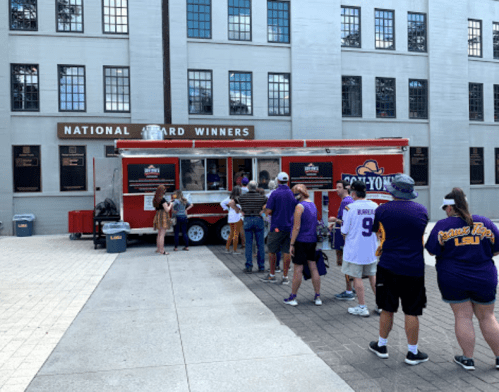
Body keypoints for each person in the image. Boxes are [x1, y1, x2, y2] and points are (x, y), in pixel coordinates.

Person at [425, 188, 499, 371]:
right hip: (484, 276)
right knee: (488, 317)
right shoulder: (485, 222)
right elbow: (496, 249)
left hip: (453, 277)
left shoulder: (443, 225)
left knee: (463, 316)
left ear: (449, 208)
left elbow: (432, 249)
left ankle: (468, 359)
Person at [368, 174, 429, 366]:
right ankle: (412, 352)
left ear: (392, 190)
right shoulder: (421, 210)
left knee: (387, 307)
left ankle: (382, 345)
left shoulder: (382, 210)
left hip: (388, 265)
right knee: (412, 311)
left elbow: (374, 230)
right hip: (414, 267)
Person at [340, 181, 378, 317]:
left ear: (354, 193)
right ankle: (379, 305)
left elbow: (344, 230)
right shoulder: (375, 206)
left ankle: (362, 306)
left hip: (355, 248)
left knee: (357, 276)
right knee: (372, 276)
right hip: (371, 247)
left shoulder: (350, 208)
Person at [284, 184, 320, 306]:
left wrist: (291, 243)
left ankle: (293, 297)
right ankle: (317, 296)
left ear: (300, 194)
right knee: (313, 267)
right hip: (312, 239)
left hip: (301, 241)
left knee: (298, 269)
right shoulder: (313, 204)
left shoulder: (300, 206)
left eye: (295, 193)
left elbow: (296, 226)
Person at [263, 172, 297, 284]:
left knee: (272, 251)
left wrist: (265, 211)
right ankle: (285, 277)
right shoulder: (292, 194)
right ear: (287, 180)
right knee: (286, 251)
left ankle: (272, 275)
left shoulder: (275, 193)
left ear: (278, 181)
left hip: (276, 227)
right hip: (289, 227)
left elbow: (268, 211)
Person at [230, 181, 267, 273]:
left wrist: (238, 210)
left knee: (248, 245)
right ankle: (261, 267)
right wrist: (263, 212)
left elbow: (231, 203)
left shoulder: (242, 197)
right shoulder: (262, 197)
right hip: (258, 220)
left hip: (247, 220)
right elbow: (270, 204)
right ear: (256, 187)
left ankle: (249, 266)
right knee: (260, 245)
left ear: (248, 187)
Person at [328, 180, 355, 300]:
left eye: (339, 187)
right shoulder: (348, 201)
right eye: (336, 186)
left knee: (346, 264)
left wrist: (334, 220)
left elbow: (346, 222)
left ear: (346, 188)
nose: (336, 189)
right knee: (347, 264)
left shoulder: (346, 202)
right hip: (347, 237)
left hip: (345, 238)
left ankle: (349, 291)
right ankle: (351, 288)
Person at [220, 186, 244, 254]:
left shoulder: (229, 198)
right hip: (237, 217)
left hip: (230, 217)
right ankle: (235, 250)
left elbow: (222, 203)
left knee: (231, 233)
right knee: (236, 234)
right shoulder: (239, 198)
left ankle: (227, 248)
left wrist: (227, 209)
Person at [265, 180, 281, 272]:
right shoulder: (280, 195)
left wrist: (264, 218)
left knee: (272, 245)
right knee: (280, 244)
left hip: (271, 222)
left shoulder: (267, 196)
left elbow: (266, 211)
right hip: (280, 221)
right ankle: (279, 265)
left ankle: (273, 267)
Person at [152, 185, 171, 255]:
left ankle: (158, 249)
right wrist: (171, 205)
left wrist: (168, 203)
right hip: (163, 216)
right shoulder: (162, 199)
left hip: (158, 215)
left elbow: (160, 206)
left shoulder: (155, 199)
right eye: (164, 190)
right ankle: (162, 251)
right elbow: (167, 209)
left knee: (159, 233)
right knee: (162, 234)